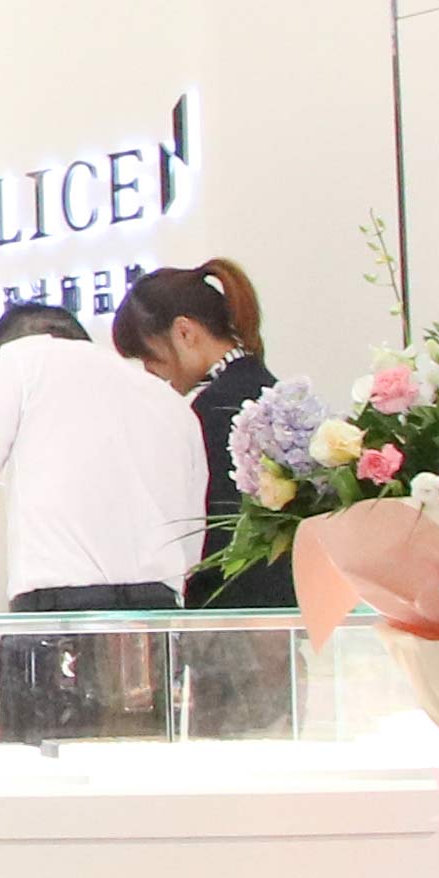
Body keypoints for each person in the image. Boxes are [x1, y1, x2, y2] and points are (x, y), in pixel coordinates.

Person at [0, 297, 209, 739]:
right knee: (140, 769)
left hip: (56, 617)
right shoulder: (168, 398)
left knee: (47, 773)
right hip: (153, 622)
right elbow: (191, 538)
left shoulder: (23, 358)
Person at [117, 265, 294, 734]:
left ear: (184, 332)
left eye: (149, 356)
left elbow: (200, 533)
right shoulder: (273, 394)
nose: (151, 373)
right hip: (285, 625)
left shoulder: (208, 411)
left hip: (231, 630)